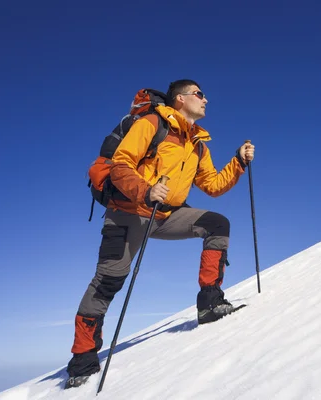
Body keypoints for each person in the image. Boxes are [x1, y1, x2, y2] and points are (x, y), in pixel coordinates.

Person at [65, 79, 255, 388]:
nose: (206, 100)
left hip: (166, 215)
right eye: (199, 94)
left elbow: (213, 186)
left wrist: (237, 162)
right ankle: (82, 359)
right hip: (129, 212)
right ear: (180, 99)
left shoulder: (197, 145)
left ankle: (210, 302)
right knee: (109, 279)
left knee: (217, 224)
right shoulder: (152, 124)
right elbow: (121, 164)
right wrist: (146, 189)